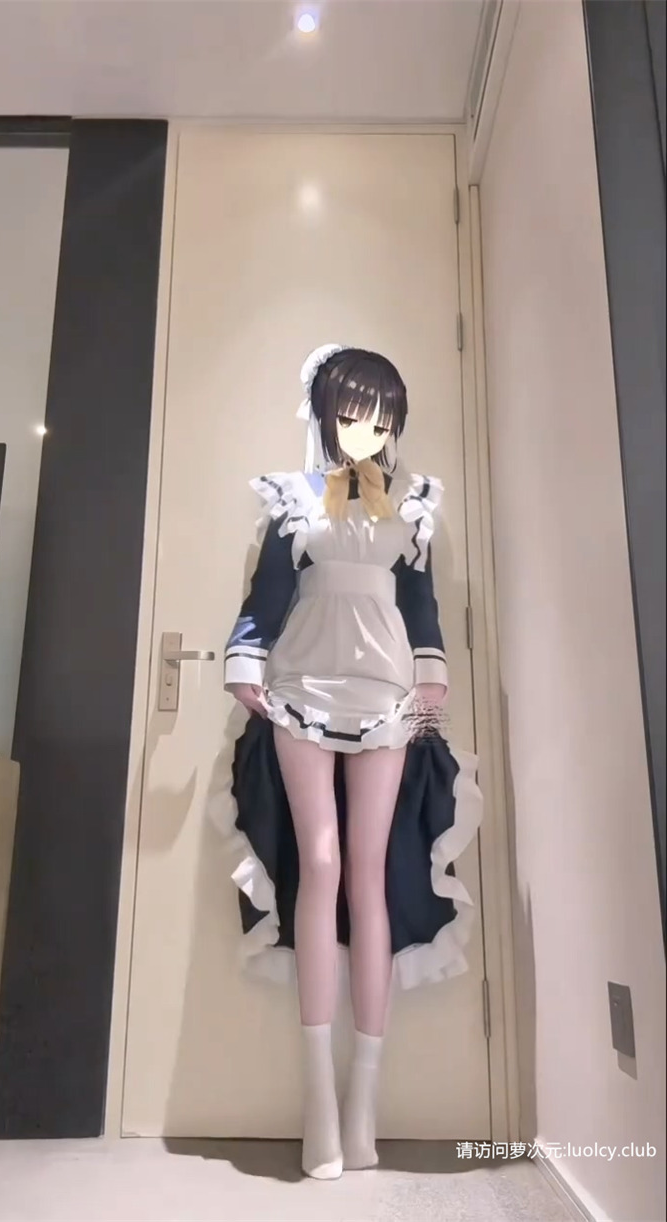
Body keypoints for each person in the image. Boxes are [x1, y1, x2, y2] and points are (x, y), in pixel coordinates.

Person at [213, 345, 482, 1179]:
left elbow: (421, 604)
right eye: (354, 413)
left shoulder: (415, 502)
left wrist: (432, 678)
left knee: (368, 873)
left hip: (388, 696)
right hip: (300, 685)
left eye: (383, 416)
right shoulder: (292, 497)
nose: (369, 428)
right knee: (321, 865)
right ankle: (317, 1102)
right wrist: (243, 664)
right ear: (324, 412)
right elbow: (266, 597)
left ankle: (362, 1098)